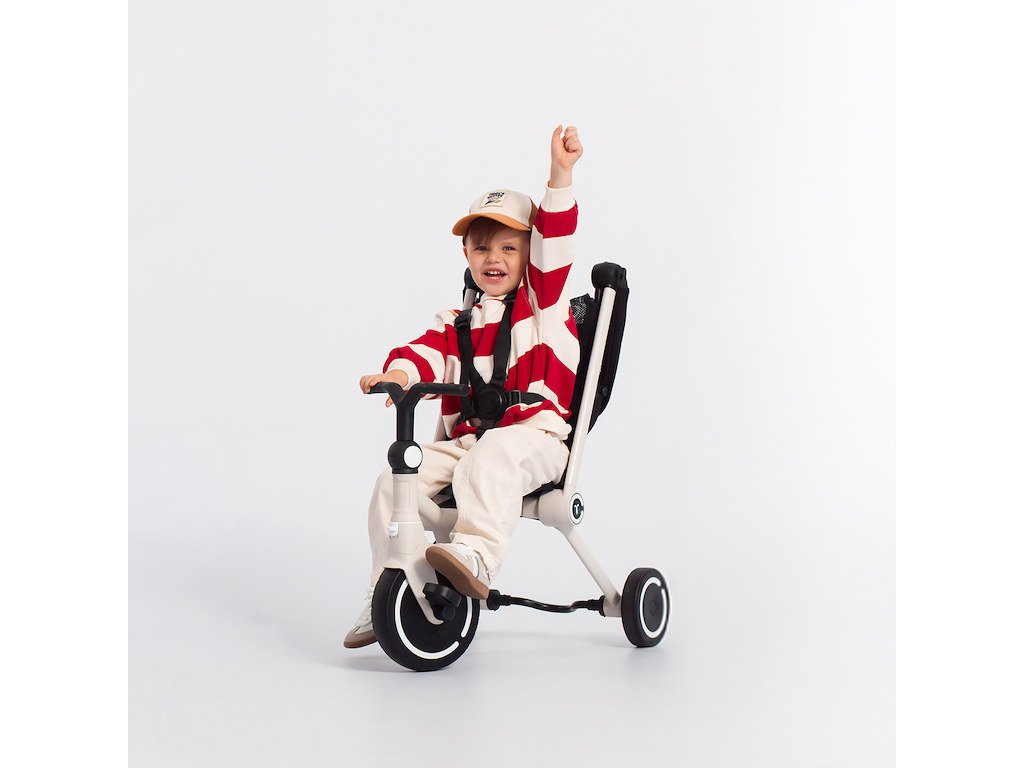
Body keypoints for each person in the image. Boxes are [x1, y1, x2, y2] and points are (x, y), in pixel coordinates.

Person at [345, 124, 584, 648]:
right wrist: (399, 374)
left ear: (530, 254)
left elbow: (555, 244)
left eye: (509, 247)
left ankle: (476, 554)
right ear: (467, 256)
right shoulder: (459, 322)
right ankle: (389, 585)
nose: (493, 258)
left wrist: (559, 175)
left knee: (493, 454)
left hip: (536, 439)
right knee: (394, 480)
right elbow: (425, 350)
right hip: (472, 445)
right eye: (481, 248)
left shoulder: (541, 305)